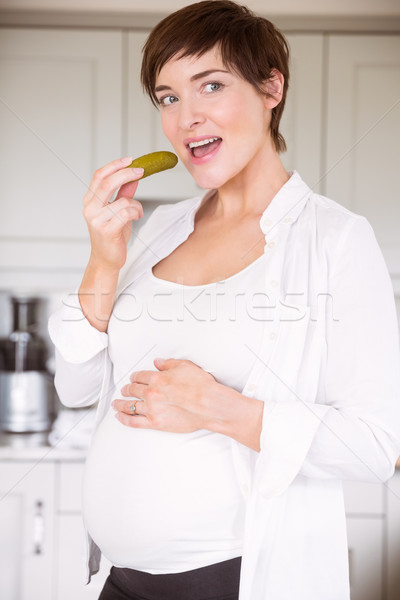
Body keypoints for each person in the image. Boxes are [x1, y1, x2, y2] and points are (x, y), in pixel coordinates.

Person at [48, 1, 400, 599]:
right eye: (167, 97)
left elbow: (377, 447)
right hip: (118, 580)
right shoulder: (158, 228)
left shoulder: (334, 239)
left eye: (210, 84)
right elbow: (76, 390)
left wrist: (219, 409)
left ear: (271, 87)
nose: (187, 116)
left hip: (235, 580)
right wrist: (103, 258)